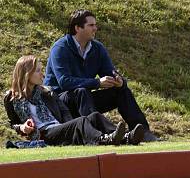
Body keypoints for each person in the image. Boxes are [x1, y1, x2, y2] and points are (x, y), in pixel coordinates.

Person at [44, 9, 158, 142]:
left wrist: (119, 81)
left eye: (95, 25)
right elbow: (64, 82)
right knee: (81, 92)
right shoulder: (60, 48)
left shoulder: (97, 48)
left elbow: (109, 72)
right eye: (91, 25)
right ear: (77, 28)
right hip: (61, 104)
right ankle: (103, 136)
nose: (95, 29)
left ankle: (143, 133)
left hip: (84, 102)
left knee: (121, 91)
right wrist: (97, 83)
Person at [6, 55, 145, 146]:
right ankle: (104, 140)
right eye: (37, 71)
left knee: (94, 116)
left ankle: (126, 137)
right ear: (26, 73)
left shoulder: (46, 92)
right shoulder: (12, 98)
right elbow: (13, 124)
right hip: (44, 134)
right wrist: (23, 128)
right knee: (81, 121)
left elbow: (64, 112)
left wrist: (68, 126)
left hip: (58, 127)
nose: (42, 74)